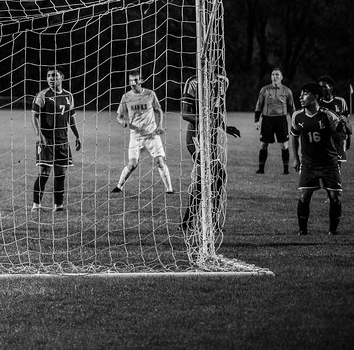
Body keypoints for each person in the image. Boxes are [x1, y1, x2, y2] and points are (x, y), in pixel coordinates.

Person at [180, 74, 240, 234]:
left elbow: (217, 111)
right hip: (196, 136)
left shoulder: (223, 82)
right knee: (216, 173)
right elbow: (185, 114)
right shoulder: (193, 81)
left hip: (211, 137)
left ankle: (188, 222)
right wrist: (204, 120)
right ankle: (211, 222)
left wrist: (225, 127)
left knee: (210, 177)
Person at [290, 82, 349, 235]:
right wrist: (296, 158)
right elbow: (294, 137)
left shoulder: (327, 115)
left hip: (329, 163)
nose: (301, 97)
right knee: (304, 195)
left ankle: (333, 231)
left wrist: (344, 125)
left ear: (315, 97)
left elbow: (346, 131)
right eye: (301, 94)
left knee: (335, 197)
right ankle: (302, 231)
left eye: (304, 94)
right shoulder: (297, 116)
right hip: (308, 164)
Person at [111, 70, 174, 195]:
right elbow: (118, 116)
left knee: (160, 162)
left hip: (151, 135)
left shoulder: (150, 94)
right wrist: (122, 121)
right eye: (131, 80)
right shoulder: (126, 97)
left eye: (136, 80)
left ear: (141, 80)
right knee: (132, 164)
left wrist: (160, 125)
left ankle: (169, 190)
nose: (133, 83)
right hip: (135, 136)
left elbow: (159, 111)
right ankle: (119, 186)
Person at [30, 67, 81, 213]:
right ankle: (36, 205)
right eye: (49, 76)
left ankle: (58, 206)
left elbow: (71, 117)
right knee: (44, 173)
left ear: (62, 77)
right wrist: (38, 135)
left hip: (63, 141)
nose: (51, 78)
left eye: (54, 76)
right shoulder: (42, 95)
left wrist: (77, 135)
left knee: (60, 174)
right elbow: (34, 115)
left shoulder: (68, 96)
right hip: (47, 141)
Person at [254, 68, 296, 175]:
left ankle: (286, 170)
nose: (275, 76)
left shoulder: (287, 91)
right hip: (267, 119)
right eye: (273, 75)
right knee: (263, 144)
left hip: (281, 120)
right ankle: (261, 169)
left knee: (284, 145)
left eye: (277, 75)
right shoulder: (264, 89)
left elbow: (292, 108)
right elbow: (259, 105)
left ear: (281, 77)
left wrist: (294, 121)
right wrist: (256, 120)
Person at [317, 75, 349, 162]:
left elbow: (346, 120)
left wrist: (348, 138)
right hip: (324, 139)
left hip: (338, 138)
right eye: (320, 87)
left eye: (324, 86)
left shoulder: (340, 101)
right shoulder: (318, 103)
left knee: (338, 164)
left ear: (330, 88)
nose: (322, 89)